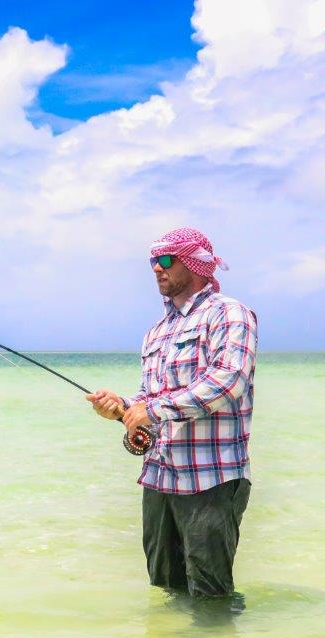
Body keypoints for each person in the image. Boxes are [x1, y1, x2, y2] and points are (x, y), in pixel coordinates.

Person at [86, 227, 258, 599]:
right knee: (166, 592)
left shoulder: (230, 314)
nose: (156, 269)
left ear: (195, 264)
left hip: (210, 481)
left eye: (165, 260)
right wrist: (123, 409)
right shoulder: (156, 333)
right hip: (160, 479)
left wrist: (152, 409)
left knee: (212, 599)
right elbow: (150, 398)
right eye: (153, 262)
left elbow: (228, 382)